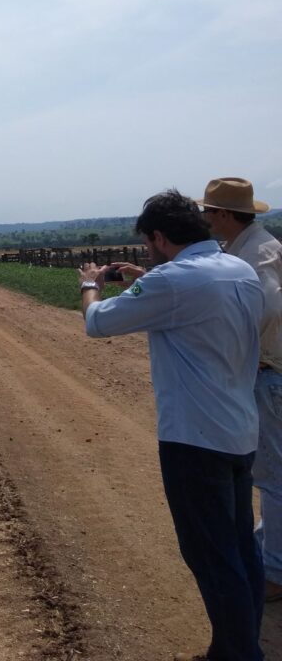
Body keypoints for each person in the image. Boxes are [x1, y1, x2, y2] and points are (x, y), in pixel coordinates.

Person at [78, 189, 265, 661]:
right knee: (241, 548)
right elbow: (194, 306)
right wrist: (151, 279)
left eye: (147, 243)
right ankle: (235, 645)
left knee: (211, 556)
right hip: (240, 431)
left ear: (159, 237)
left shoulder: (174, 283)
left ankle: (239, 654)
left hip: (194, 441)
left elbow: (97, 322)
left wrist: (89, 285)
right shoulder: (238, 269)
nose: (146, 251)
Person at [198, 177, 282, 605]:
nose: (205, 219)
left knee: (272, 474)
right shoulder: (250, 246)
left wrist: (242, 344)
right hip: (270, 370)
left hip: (270, 371)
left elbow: (267, 307)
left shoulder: (258, 253)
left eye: (209, 212)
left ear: (225, 215)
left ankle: (275, 572)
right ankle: (267, 546)